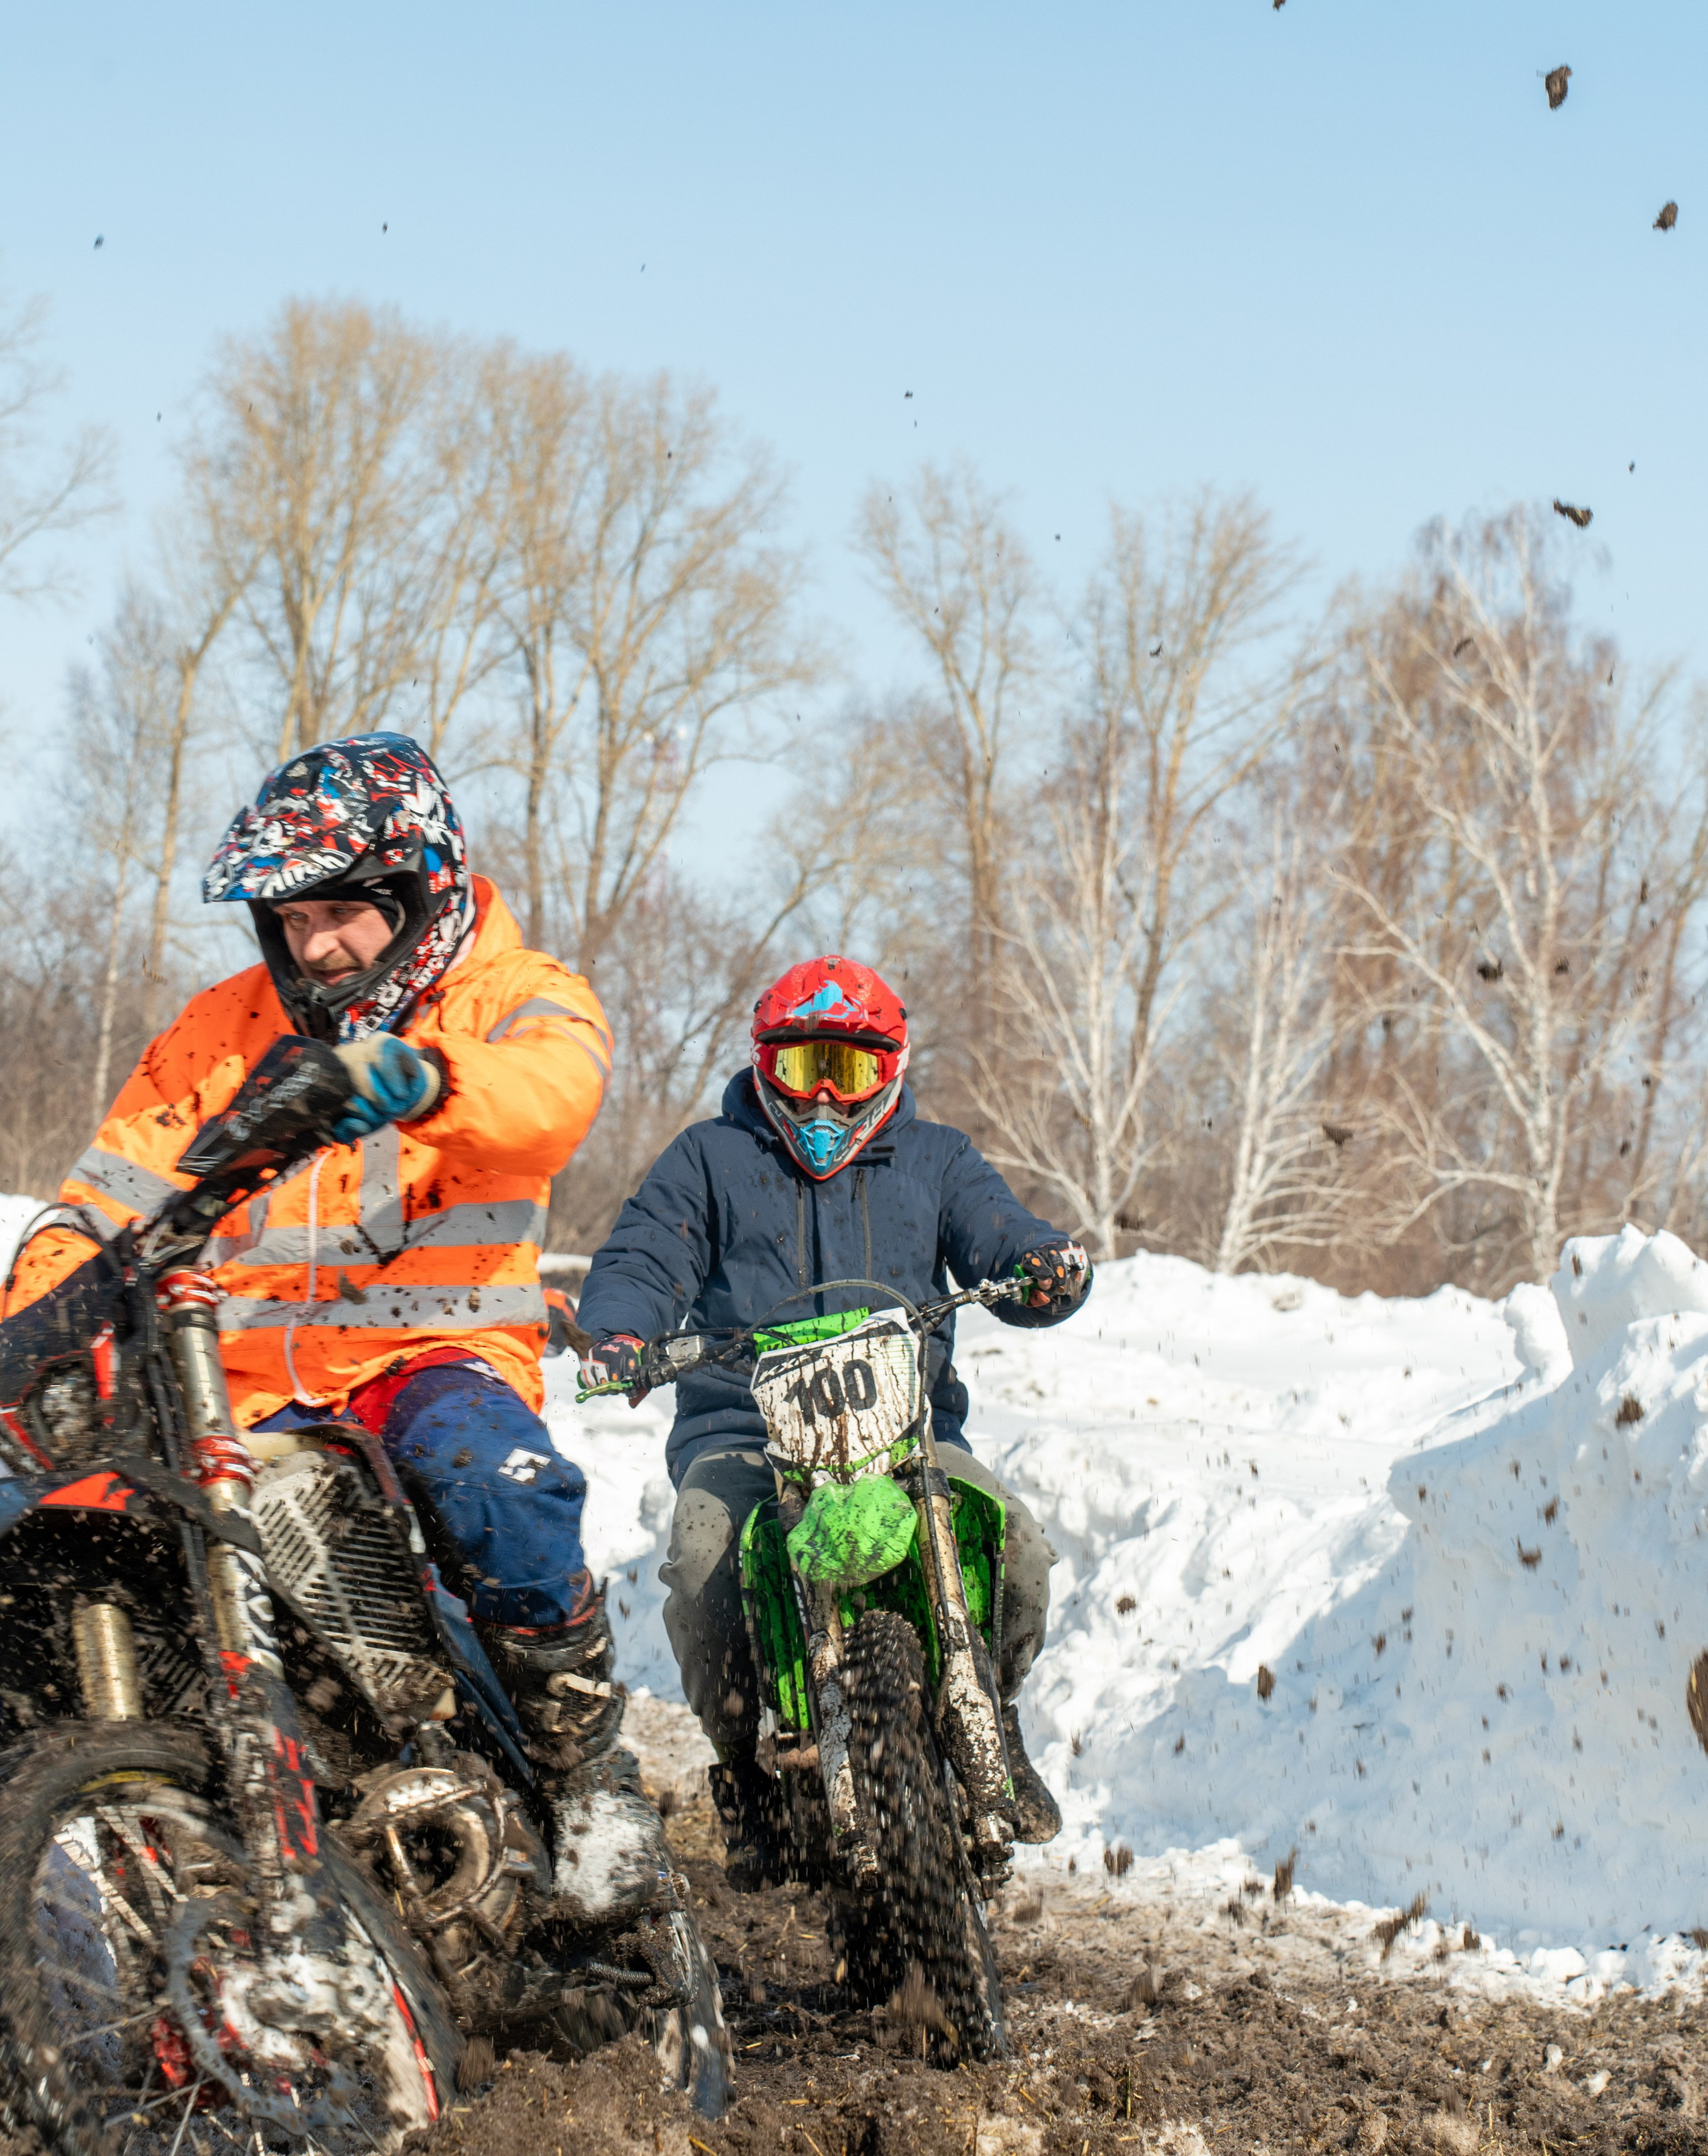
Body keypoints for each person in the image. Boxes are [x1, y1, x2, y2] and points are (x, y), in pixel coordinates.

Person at [3, 732, 662, 1927]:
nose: (314, 944)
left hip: (429, 1358)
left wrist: (420, 1076)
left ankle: (587, 1771)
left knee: (493, 1482)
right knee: (37, 1522)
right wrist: (42, 1316)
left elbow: (550, 1102)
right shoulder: (223, 1026)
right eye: (289, 917)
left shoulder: (519, 994)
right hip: (232, 1387)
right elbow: (103, 1195)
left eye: (343, 913)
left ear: (422, 890)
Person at [574, 952, 1091, 1880]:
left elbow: (999, 1234)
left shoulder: (938, 1160)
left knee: (1013, 1542)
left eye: (845, 1070)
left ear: (888, 1069)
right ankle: (745, 1775)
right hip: (745, 1439)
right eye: (798, 1066)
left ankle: (993, 1715)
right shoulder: (710, 1158)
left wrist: (1042, 1265)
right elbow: (649, 1255)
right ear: (762, 1064)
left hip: (908, 1437)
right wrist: (620, 1333)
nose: (819, 1098)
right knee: (699, 1565)